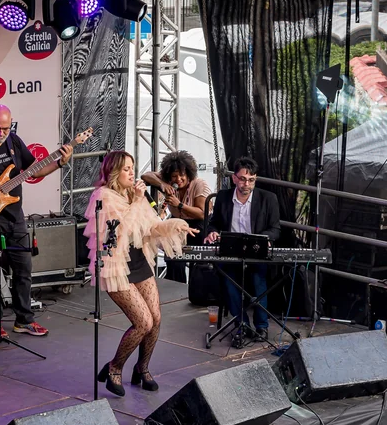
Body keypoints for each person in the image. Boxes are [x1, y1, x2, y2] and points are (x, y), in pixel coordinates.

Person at [85, 151, 198, 396]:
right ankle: (115, 367)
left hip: (139, 263)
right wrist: (137, 201)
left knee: (155, 319)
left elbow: (151, 226)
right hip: (116, 267)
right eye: (126, 169)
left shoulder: (137, 195)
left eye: (132, 167)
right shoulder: (102, 197)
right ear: (114, 171)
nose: (131, 173)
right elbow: (119, 233)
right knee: (143, 322)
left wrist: (177, 225)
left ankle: (142, 368)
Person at [0, 104, 71, 339]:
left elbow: (34, 171)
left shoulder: (14, 143)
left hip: (15, 218)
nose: (1, 133)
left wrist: (60, 163)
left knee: (24, 270)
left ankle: (24, 320)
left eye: (5, 128)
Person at [204, 156, 281, 346]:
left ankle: (262, 326)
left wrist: (266, 240)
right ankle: (242, 325)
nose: (247, 184)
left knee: (258, 280)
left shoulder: (268, 199)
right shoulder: (223, 197)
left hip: (255, 252)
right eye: (243, 179)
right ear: (234, 178)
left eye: (251, 180)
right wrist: (212, 233)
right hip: (230, 252)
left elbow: (275, 229)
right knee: (229, 281)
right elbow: (213, 224)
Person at [141, 150, 213, 282]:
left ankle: (196, 289)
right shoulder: (169, 183)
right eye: (174, 176)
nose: (178, 180)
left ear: (189, 174)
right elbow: (146, 176)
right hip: (177, 224)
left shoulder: (199, 184)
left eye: (182, 176)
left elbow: (202, 214)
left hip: (198, 226)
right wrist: (162, 184)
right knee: (173, 258)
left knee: (196, 262)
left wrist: (179, 205)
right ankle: (175, 286)